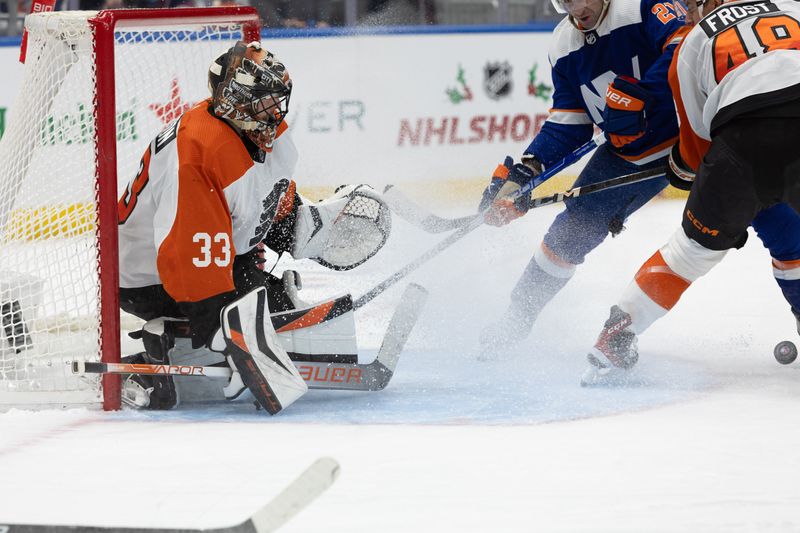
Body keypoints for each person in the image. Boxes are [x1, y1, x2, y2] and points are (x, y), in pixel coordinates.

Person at [117, 41, 391, 412]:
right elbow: (187, 255)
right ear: (236, 99)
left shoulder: (254, 129)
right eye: (265, 101)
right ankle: (168, 339)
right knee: (240, 316)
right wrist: (224, 330)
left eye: (277, 100)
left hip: (203, 249)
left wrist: (299, 222)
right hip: (147, 277)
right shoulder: (199, 151)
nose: (275, 111)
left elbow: (258, 195)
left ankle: (229, 320)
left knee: (271, 305)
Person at [581, 0, 800, 385]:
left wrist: (704, 184)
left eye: (692, 5)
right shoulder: (791, 6)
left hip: (740, 140)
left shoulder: (694, 41)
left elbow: (699, 140)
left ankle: (614, 339)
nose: (686, 14)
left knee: (689, 253)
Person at [478, 0, 689, 358]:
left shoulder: (644, 6)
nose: (577, 8)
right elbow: (569, 122)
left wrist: (643, 96)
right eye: (565, 0)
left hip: (699, 133)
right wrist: (524, 173)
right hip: (632, 155)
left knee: (767, 210)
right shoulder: (563, 47)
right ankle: (518, 317)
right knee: (567, 236)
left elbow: (687, 43)